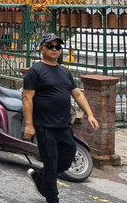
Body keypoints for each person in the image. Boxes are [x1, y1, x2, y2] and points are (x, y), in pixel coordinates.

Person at [24, 33, 99, 203]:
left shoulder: (65, 72)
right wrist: (29, 125)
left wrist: (90, 114)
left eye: (57, 47)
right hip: (44, 125)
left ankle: (40, 175)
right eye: (50, 46)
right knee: (51, 162)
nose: (54, 49)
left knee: (68, 157)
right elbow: (27, 98)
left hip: (63, 125)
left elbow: (77, 94)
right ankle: (52, 198)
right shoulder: (35, 71)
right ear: (42, 48)